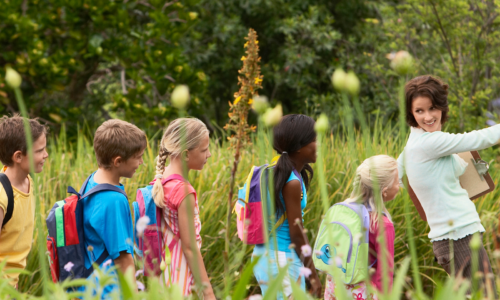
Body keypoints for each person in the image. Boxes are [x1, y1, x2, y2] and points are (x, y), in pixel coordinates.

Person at [397, 75, 498, 296]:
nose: (428, 116)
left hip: (454, 236)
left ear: (441, 107)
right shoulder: (429, 143)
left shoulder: (414, 142)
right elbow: (481, 138)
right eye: (419, 111)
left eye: (432, 108)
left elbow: (397, 173)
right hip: (458, 236)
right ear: (411, 114)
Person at [252, 114, 322, 299]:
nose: (318, 144)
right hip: (281, 258)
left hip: (263, 255)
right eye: (314, 139)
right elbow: (297, 235)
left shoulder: (273, 171)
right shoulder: (291, 182)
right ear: (299, 147)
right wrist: (313, 277)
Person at [79, 119, 146, 298]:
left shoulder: (92, 181)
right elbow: (123, 259)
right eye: (138, 157)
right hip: (109, 291)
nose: (141, 162)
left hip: (90, 286)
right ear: (118, 161)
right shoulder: (113, 200)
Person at [151, 118, 215, 299]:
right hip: (181, 275)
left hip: (164, 274)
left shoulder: (161, 182)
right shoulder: (184, 191)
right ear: (186, 154)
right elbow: (190, 248)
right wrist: (208, 292)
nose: (209, 154)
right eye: (204, 150)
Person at [324, 155, 399, 300]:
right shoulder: (382, 224)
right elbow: (385, 273)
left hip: (335, 286)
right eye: (397, 181)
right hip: (362, 292)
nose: (399, 185)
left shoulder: (342, 211)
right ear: (384, 191)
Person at [0, 114, 49, 288]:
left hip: (12, 285)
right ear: (18, 156)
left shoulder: (28, 181)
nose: (46, 155)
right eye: (39, 151)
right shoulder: (2, 196)